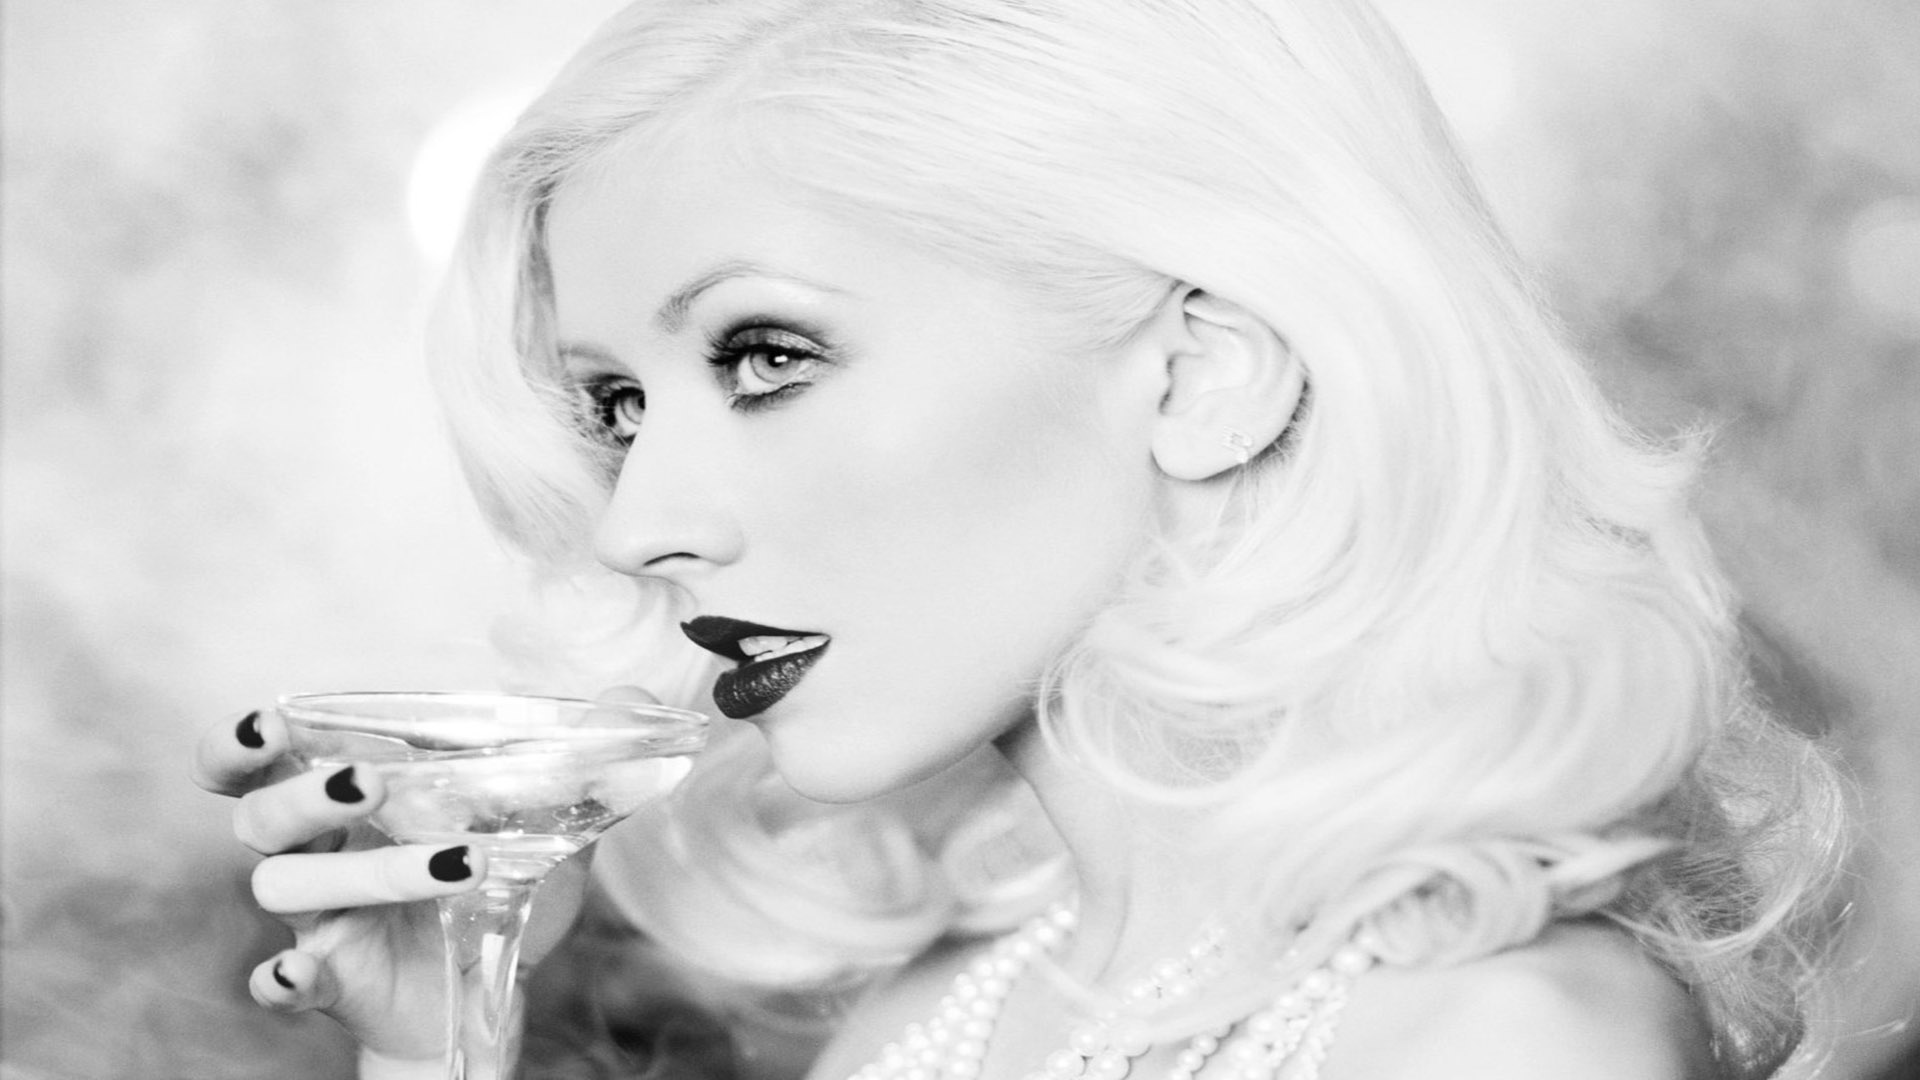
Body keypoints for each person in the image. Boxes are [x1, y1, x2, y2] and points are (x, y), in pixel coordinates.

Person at [191, 1, 1851, 1077]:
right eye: (619, 405)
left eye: (765, 356)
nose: (640, 522)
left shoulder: (1496, 1046)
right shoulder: (936, 1027)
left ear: (1203, 375)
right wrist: (441, 1035)